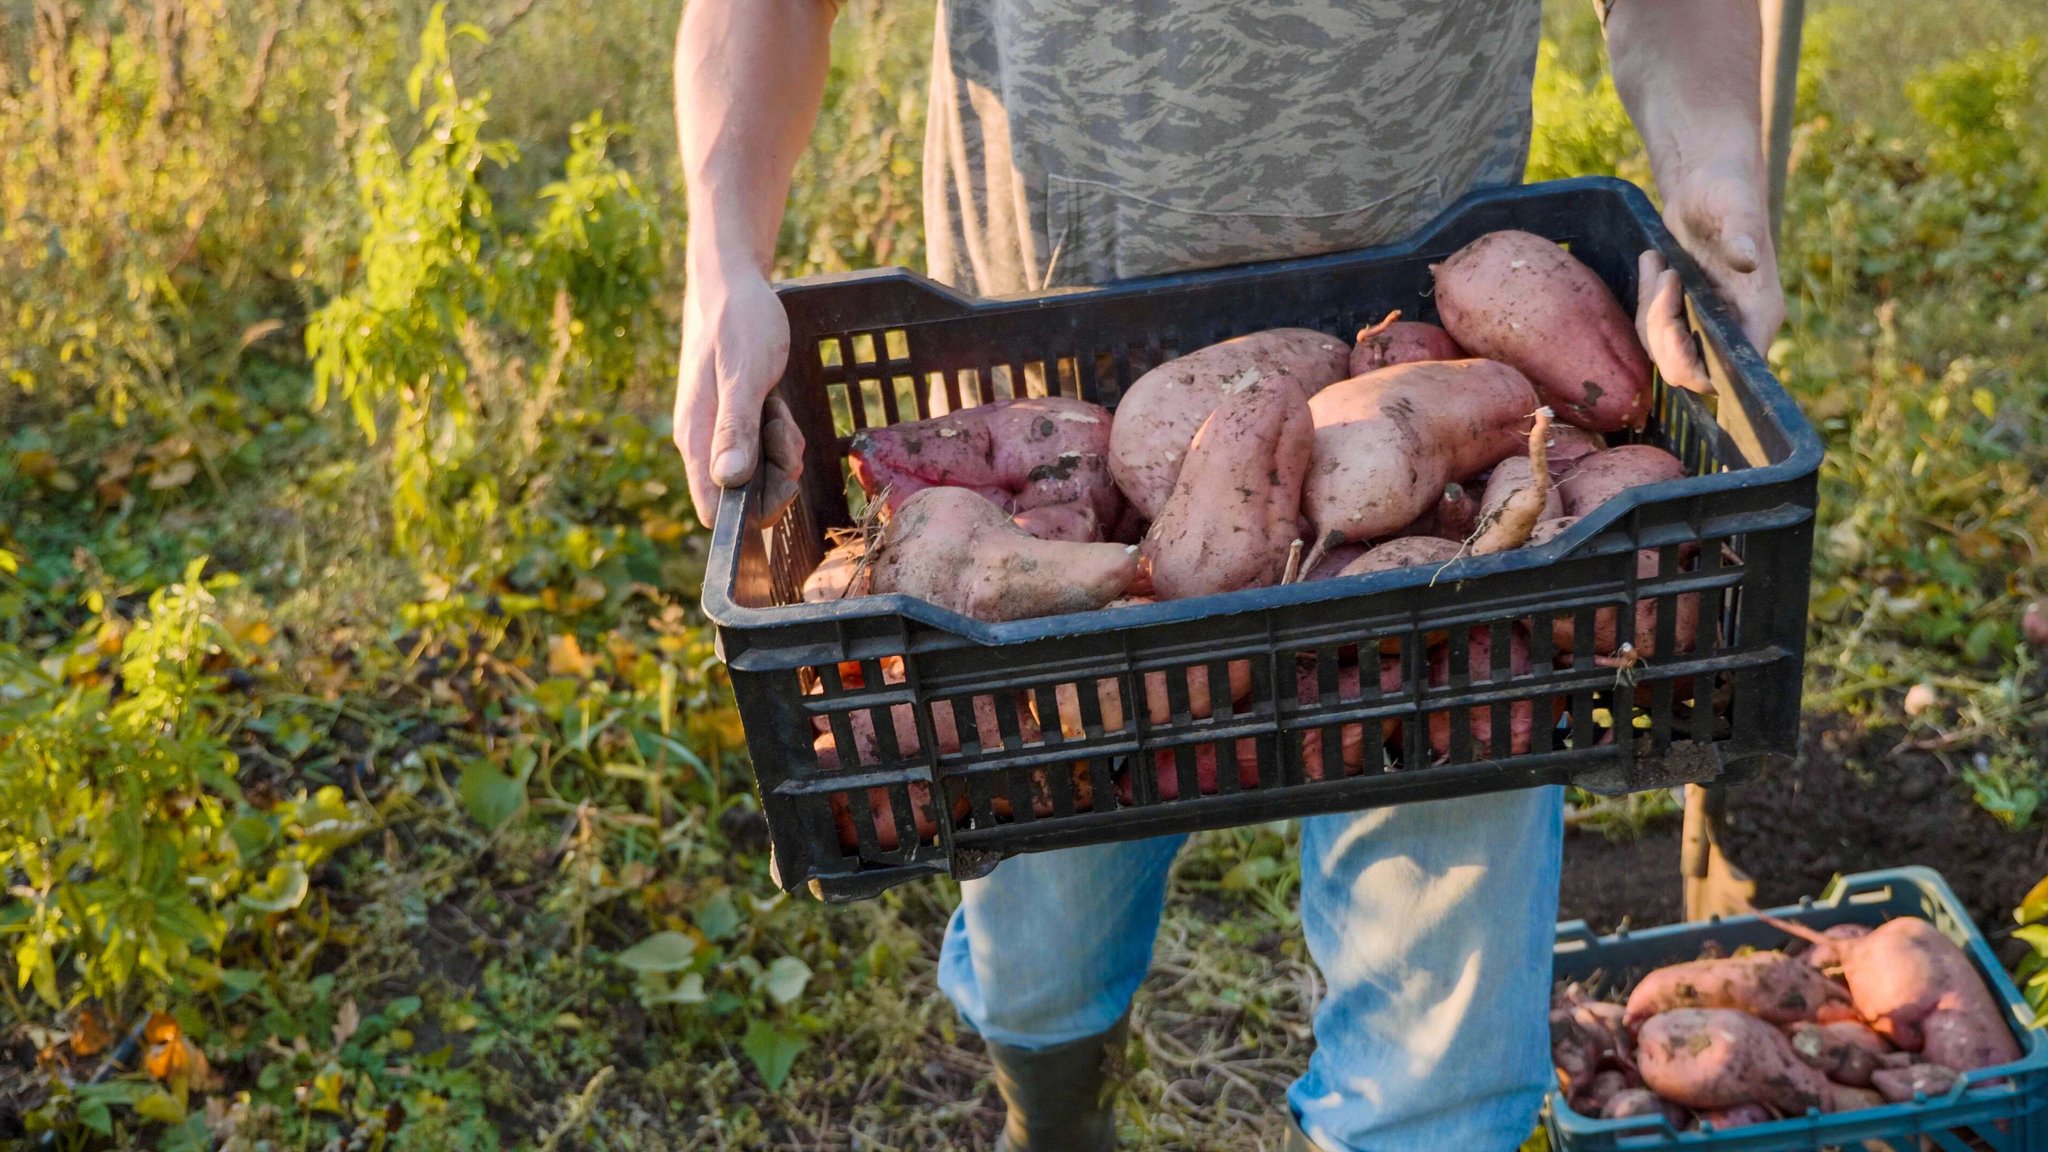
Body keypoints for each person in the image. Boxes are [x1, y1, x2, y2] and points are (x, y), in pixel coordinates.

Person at [673, 3, 1785, 1148]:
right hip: (1047, 369)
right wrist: (721, 254)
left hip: (1440, 346)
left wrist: (1710, 159)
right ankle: (1054, 1121)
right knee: (1042, 948)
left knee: (1436, 1072)